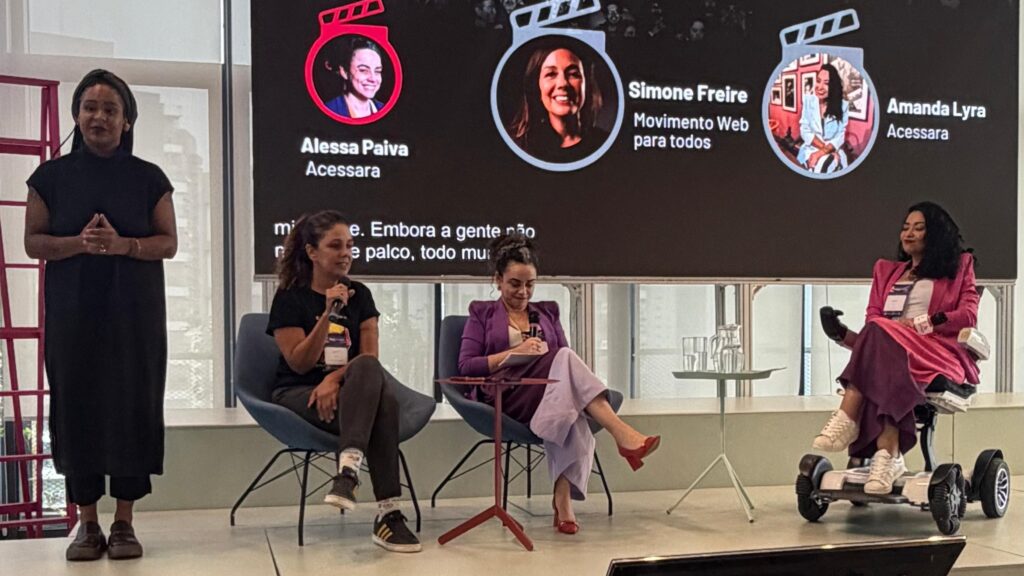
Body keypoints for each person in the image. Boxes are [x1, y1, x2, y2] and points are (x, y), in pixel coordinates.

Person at [23, 69, 178, 561]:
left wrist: (122, 246)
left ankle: (125, 522)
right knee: (78, 408)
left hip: (135, 316)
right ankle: (86, 524)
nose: (99, 117)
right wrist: (81, 244)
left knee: (134, 407)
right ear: (76, 115)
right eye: (90, 107)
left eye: (110, 109)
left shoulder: (149, 177)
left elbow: (168, 243)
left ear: (127, 120)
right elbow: (33, 241)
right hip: (73, 317)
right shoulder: (50, 177)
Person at [458, 234, 660, 535]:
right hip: (508, 397)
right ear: (498, 280)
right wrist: (514, 353)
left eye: (530, 284)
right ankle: (622, 435)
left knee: (570, 396)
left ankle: (563, 499)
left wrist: (543, 354)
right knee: (570, 385)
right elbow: (466, 366)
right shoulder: (482, 313)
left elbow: (565, 359)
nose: (523, 292)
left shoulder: (548, 311)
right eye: (515, 284)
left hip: (550, 394)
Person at [266, 210, 421, 553]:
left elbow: (368, 359)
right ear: (312, 253)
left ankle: (348, 472)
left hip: (346, 391)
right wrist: (328, 312)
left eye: (350, 245)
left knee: (373, 381)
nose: (346, 253)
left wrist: (334, 380)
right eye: (335, 245)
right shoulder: (289, 297)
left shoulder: (361, 295)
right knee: (385, 405)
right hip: (298, 392)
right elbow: (300, 362)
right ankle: (389, 516)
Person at [813, 202, 979, 495]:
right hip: (891, 352)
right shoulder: (886, 271)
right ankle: (887, 456)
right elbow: (871, 330)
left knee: (882, 341)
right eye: (905, 228)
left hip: (935, 351)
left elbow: (967, 315)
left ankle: (848, 415)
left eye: (918, 228)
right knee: (885, 354)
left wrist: (921, 324)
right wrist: (840, 334)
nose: (909, 234)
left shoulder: (959, 267)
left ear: (937, 234)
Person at [508, 41, 608, 163]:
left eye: (573, 74)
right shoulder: (519, 147)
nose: (563, 83)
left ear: (586, 84)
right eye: (551, 74)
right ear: (536, 86)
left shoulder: (606, 143)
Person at [797, 63, 849, 174]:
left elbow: (841, 136)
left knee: (829, 166)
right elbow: (804, 131)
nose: (820, 87)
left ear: (833, 86)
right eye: (818, 80)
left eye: (826, 83)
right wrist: (825, 150)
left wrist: (821, 153)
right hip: (812, 148)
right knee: (823, 166)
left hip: (833, 149)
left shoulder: (843, 106)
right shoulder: (808, 101)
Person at [323, 36, 385, 119]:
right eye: (363, 70)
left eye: (377, 71)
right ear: (344, 72)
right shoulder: (329, 111)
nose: (373, 79)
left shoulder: (384, 110)